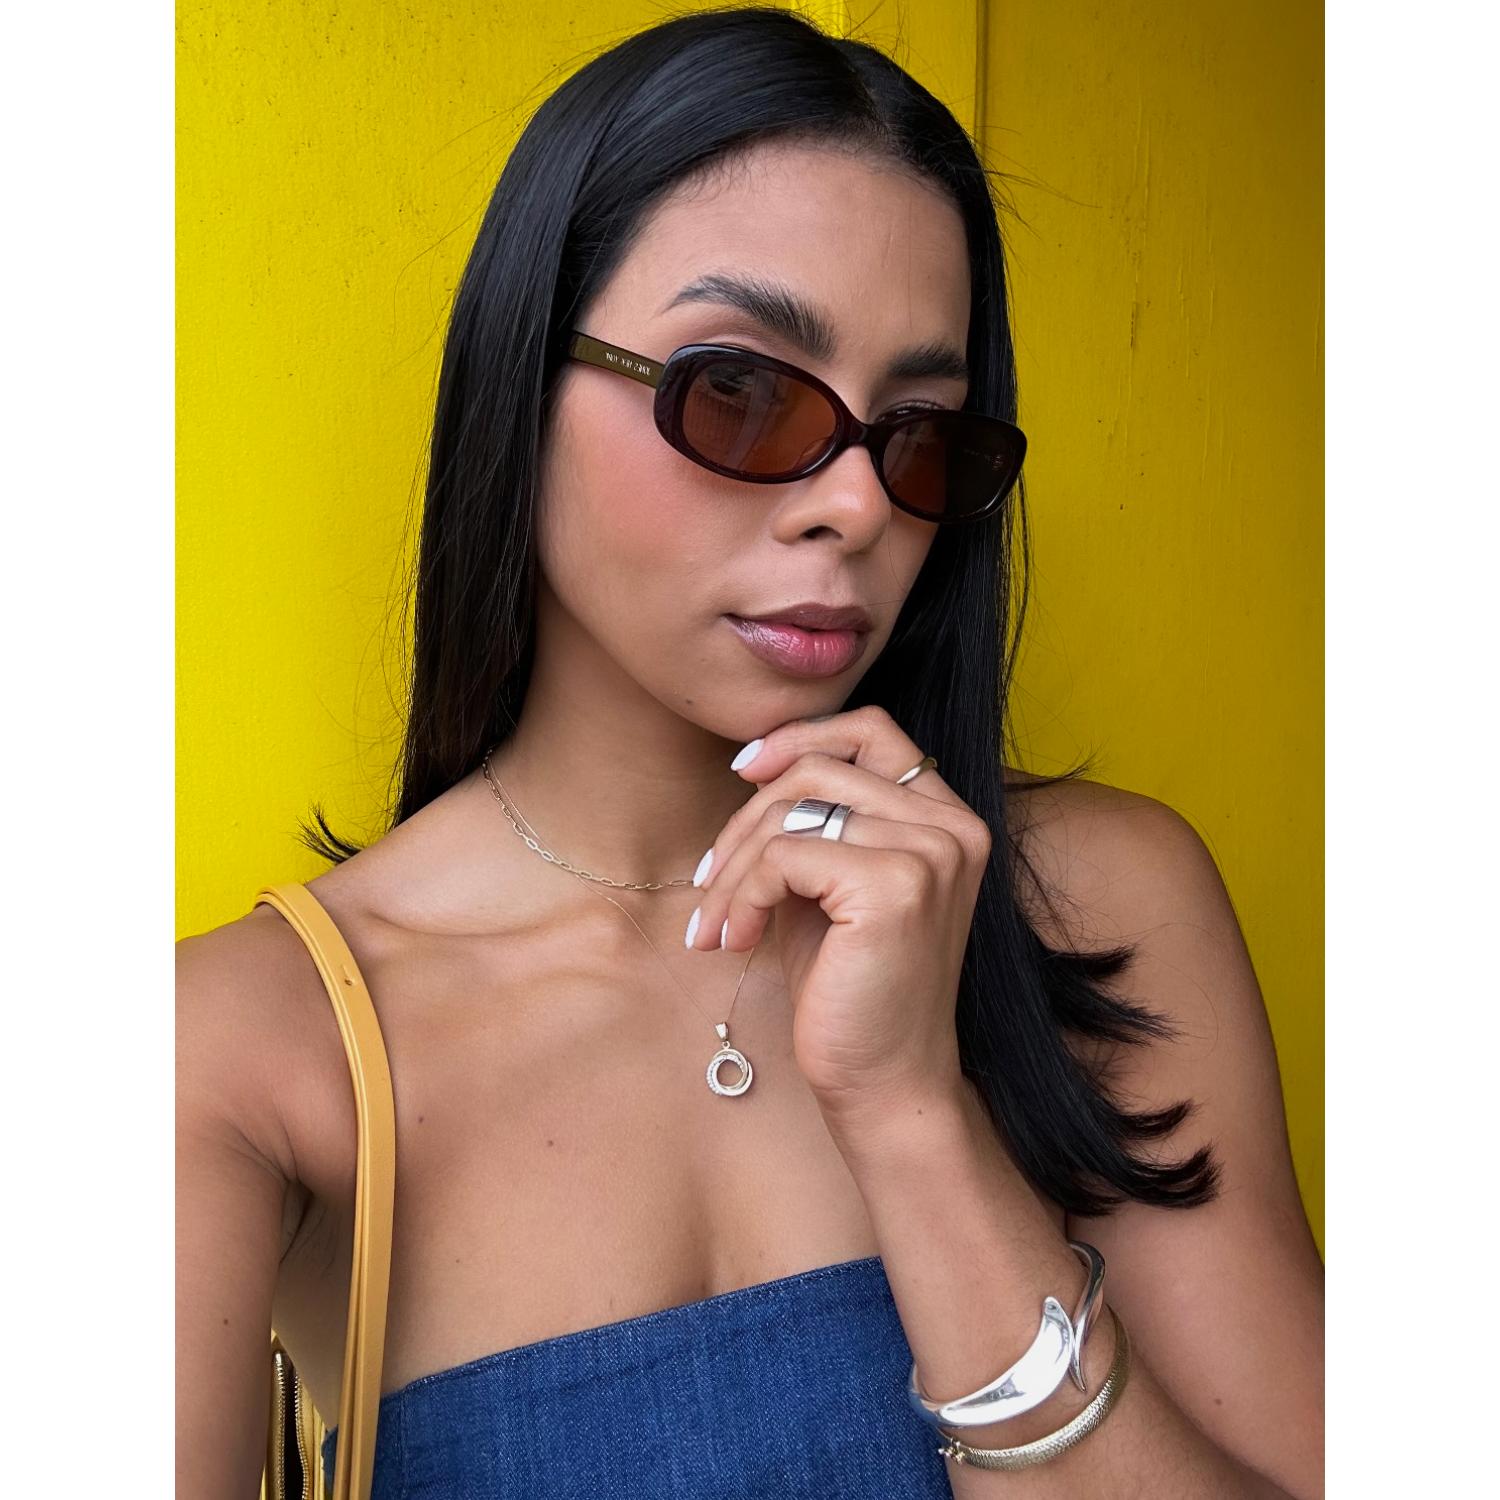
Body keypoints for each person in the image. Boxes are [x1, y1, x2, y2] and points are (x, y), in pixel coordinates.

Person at [176, 8, 1324, 1497]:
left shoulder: (1088, 905)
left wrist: (913, 1116)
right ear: (522, 384)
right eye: (738, 390)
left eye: (919, 433)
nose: (858, 505)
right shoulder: (252, 1048)